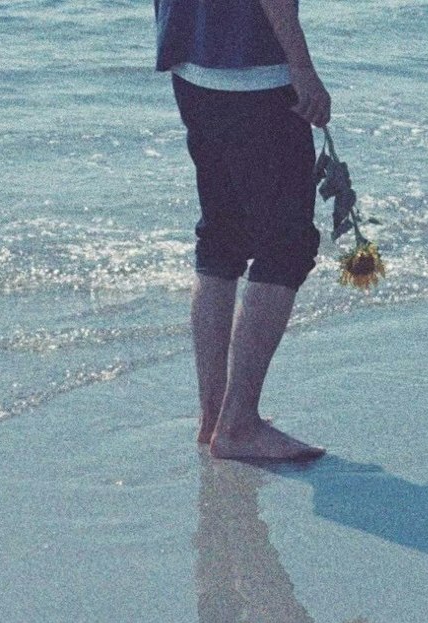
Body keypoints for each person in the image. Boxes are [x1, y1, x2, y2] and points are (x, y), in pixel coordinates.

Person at [156, 0, 331, 461]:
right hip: (253, 70)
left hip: (192, 63)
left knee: (221, 237)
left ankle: (215, 415)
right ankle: (237, 425)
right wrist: (303, 67)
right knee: (287, 245)